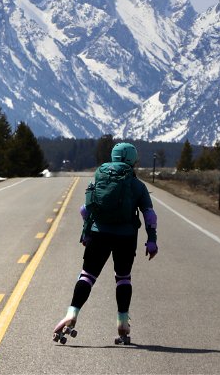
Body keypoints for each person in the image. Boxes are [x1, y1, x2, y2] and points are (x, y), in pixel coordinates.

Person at [53, 142, 158, 344]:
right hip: (126, 237)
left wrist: (86, 231)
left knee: (87, 276)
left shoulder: (100, 178)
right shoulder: (137, 185)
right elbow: (150, 215)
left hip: (99, 234)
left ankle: (72, 313)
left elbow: (85, 210)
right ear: (132, 160)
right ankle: (122, 321)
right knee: (123, 278)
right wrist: (151, 240)